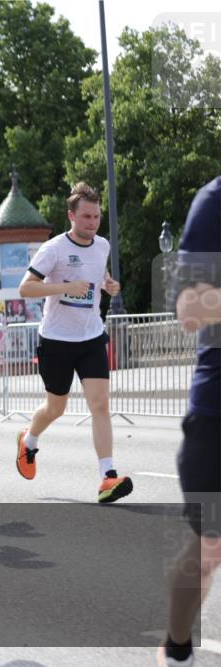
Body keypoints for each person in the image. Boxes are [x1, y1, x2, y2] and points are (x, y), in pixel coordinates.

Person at [16, 182, 131, 503]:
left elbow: (99, 274)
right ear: (72, 216)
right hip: (55, 340)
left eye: (96, 216)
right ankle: (28, 441)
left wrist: (108, 285)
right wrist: (64, 288)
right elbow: (27, 288)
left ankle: (107, 477)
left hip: (91, 336)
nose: (92, 223)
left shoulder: (103, 245)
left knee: (101, 404)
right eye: (86, 217)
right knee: (56, 407)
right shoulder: (53, 249)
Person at [158, 175, 221, 667]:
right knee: (208, 549)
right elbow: (188, 309)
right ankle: (176, 648)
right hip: (217, 411)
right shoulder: (214, 202)